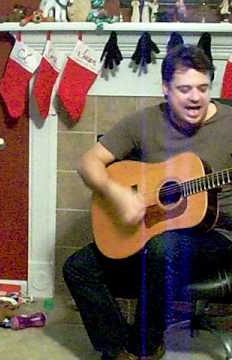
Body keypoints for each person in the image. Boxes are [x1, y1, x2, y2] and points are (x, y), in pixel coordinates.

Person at [63, 44, 232, 360]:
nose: (195, 98)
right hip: (151, 227)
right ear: (166, 89)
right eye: (184, 89)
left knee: (162, 249)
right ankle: (117, 350)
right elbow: (89, 163)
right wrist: (119, 194)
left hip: (215, 236)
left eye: (203, 88)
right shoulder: (144, 122)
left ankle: (145, 348)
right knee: (77, 268)